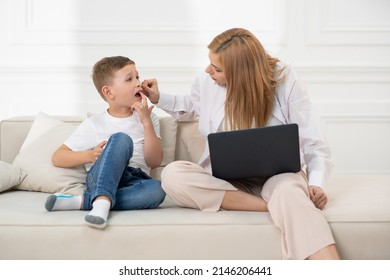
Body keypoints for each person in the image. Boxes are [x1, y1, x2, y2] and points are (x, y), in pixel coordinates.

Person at [142, 28, 340, 259]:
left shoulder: (285, 78)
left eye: (216, 68)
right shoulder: (207, 83)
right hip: (227, 182)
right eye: (210, 64)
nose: (208, 71)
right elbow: (192, 106)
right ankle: (271, 206)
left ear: (240, 72)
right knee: (173, 174)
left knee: (288, 193)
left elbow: (312, 137)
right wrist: (157, 97)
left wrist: (316, 183)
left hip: (279, 178)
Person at [45, 56, 166, 229]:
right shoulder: (94, 123)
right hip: (102, 176)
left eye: (137, 77)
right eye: (129, 79)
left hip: (135, 180)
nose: (138, 83)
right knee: (121, 139)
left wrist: (146, 122)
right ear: (109, 92)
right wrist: (89, 155)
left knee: (158, 190)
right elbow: (58, 157)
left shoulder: (150, 117)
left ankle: (88, 202)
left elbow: (154, 162)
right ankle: (101, 201)